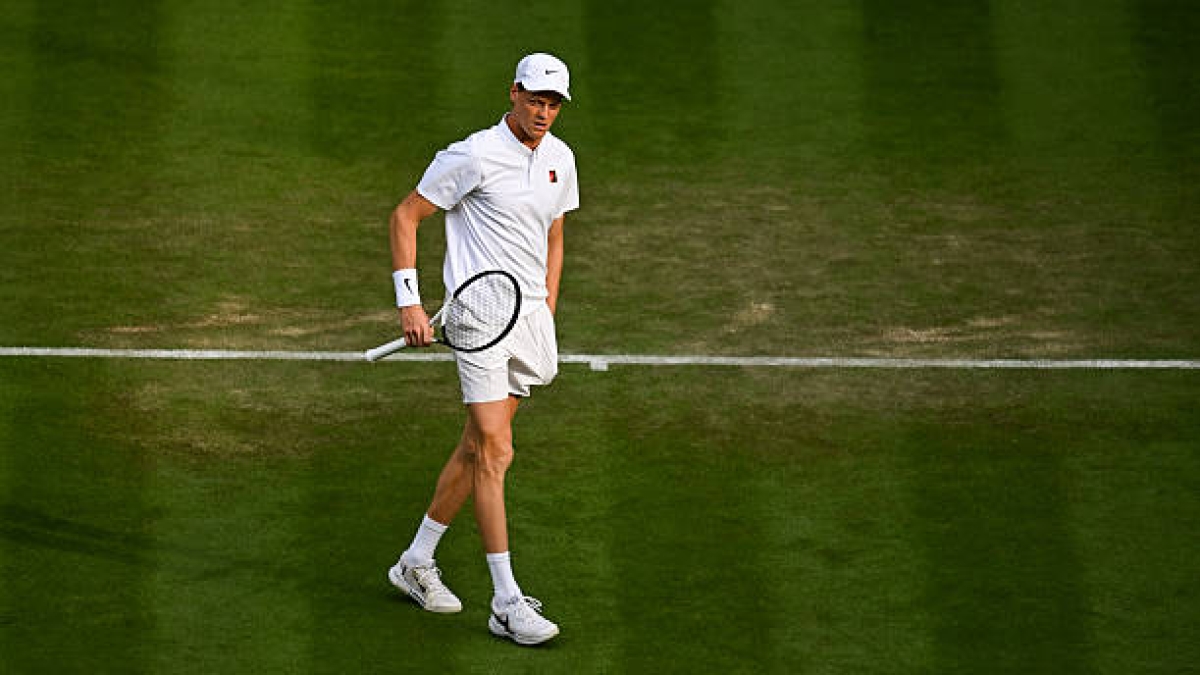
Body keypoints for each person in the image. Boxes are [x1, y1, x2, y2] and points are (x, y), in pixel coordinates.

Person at [384, 53, 578, 646]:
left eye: (554, 104)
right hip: (478, 320)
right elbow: (406, 215)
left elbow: (555, 236)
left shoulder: (561, 159)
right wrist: (411, 303)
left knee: (476, 448)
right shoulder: (471, 154)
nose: (544, 112)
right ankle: (506, 601)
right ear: (514, 93)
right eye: (536, 99)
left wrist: (546, 308)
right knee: (497, 451)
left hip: (527, 321)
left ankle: (415, 562)